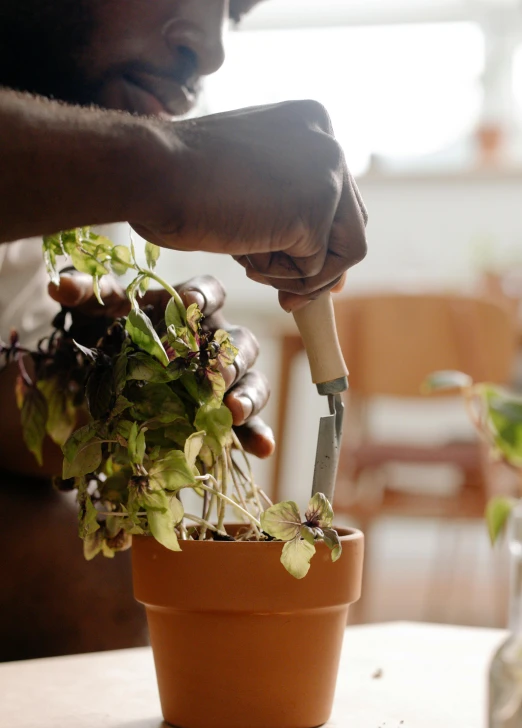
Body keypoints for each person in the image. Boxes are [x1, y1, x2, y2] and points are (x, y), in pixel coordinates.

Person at [0, 0, 368, 660]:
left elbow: (28, 443)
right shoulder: (125, 158)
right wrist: (162, 166)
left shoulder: (88, 147)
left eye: (236, 11)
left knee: (101, 575)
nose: (215, 48)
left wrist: (101, 394)